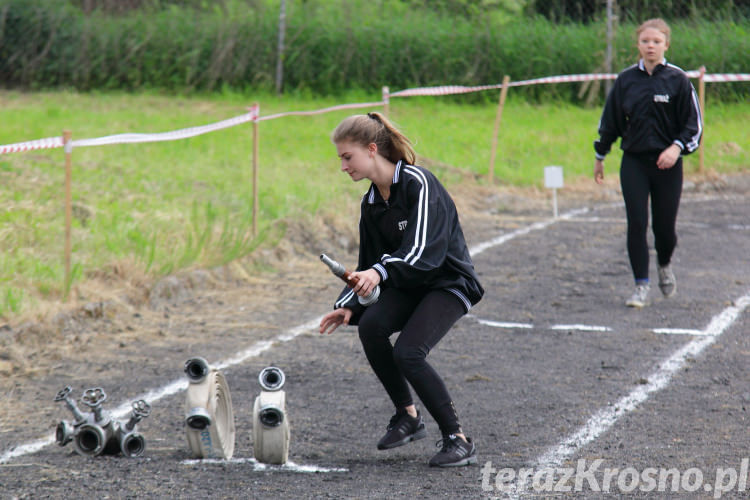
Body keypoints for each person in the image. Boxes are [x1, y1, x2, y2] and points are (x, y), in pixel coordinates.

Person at [319, 111, 484, 467]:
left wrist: (378, 273)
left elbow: (422, 250)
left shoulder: (418, 183)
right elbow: (370, 259)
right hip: (410, 283)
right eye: (341, 159)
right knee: (371, 326)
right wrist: (351, 303)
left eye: (347, 157)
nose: (343, 166)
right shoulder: (371, 202)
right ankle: (407, 416)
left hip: (447, 281)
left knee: (408, 353)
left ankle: (458, 438)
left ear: (372, 149)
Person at [594, 18, 702, 308]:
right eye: (645, 41)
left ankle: (664, 264)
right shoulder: (626, 80)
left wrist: (676, 148)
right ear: (638, 45)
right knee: (637, 222)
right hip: (634, 162)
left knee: (664, 229)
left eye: (656, 41)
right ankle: (640, 286)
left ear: (666, 44)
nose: (650, 46)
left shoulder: (678, 80)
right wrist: (600, 155)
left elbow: (694, 126)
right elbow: (611, 122)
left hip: (668, 165)